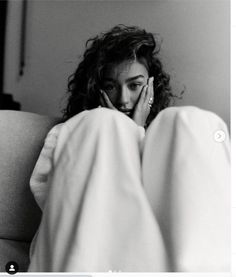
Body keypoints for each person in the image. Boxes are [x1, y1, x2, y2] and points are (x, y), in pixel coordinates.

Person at [28, 25, 230, 272]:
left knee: (189, 121)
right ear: (97, 88)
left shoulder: (170, 140)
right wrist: (127, 131)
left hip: (164, 253)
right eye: (111, 86)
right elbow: (60, 205)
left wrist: (138, 132)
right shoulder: (76, 132)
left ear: (151, 87)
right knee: (101, 123)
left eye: (134, 85)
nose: (123, 99)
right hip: (92, 248)